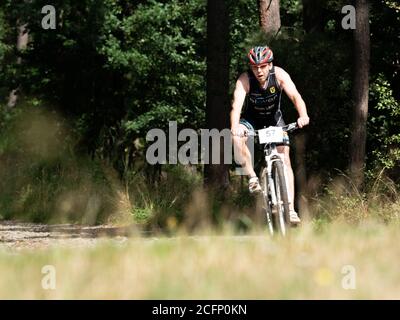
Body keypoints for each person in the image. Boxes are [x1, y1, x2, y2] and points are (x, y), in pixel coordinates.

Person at [230, 46, 309, 224]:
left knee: (285, 157)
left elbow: (296, 96)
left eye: (263, 66)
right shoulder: (245, 80)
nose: (259, 71)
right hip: (251, 121)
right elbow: (236, 106)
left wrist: (303, 115)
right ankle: (252, 178)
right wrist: (235, 127)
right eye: (255, 67)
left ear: (270, 65)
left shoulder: (279, 75)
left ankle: (290, 208)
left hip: (275, 120)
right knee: (236, 138)